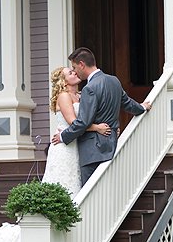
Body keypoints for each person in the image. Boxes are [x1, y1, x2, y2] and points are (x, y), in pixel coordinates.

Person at [51, 48, 151, 186]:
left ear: (81, 64)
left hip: (92, 150)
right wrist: (142, 107)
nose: (75, 71)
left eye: (74, 67)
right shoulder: (113, 80)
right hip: (111, 143)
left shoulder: (89, 88)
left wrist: (63, 136)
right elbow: (127, 103)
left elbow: (83, 122)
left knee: (90, 192)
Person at [42, 66, 112, 197]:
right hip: (65, 146)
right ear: (64, 81)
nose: (75, 72)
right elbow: (73, 123)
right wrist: (97, 128)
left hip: (79, 145)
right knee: (64, 181)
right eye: (70, 73)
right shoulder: (63, 96)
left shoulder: (81, 95)